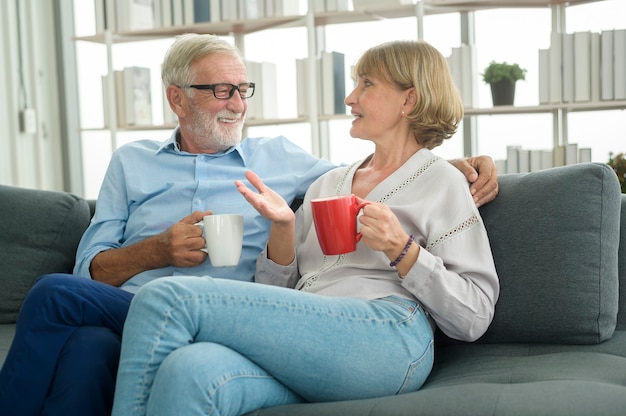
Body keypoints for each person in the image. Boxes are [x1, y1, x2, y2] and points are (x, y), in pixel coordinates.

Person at [0, 34, 497, 416]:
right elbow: (280, 284)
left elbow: (472, 314)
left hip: (382, 328)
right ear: (177, 98)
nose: (349, 97)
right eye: (221, 90)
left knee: (159, 297)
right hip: (298, 327)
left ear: (408, 101)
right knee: (183, 369)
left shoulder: (434, 182)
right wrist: (282, 229)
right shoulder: (330, 185)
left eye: (365, 84)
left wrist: (409, 243)